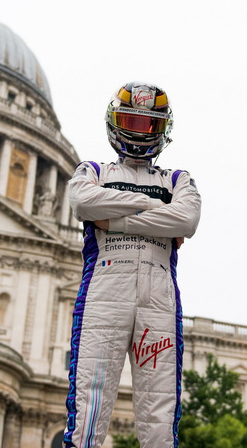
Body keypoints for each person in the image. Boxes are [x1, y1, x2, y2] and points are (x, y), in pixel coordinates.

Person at [64, 82, 202, 447]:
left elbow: (187, 219)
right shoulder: (92, 169)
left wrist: (118, 219)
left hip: (158, 300)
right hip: (103, 296)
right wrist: (159, 209)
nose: (140, 131)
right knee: (89, 407)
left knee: (160, 414)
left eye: (149, 124)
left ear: (162, 130)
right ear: (115, 122)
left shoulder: (177, 178)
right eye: (132, 121)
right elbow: (82, 202)